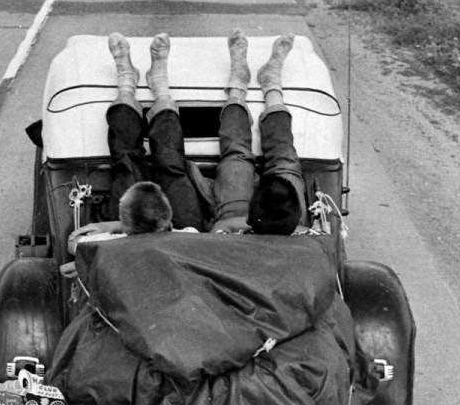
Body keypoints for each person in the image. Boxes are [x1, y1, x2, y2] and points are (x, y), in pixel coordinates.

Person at [68, 30, 306, 253]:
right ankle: (264, 88)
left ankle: (130, 86)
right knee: (280, 161)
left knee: (132, 163)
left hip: (164, 237)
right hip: (189, 234)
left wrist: (116, 228)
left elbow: (76, 244)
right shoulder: (310, 244)